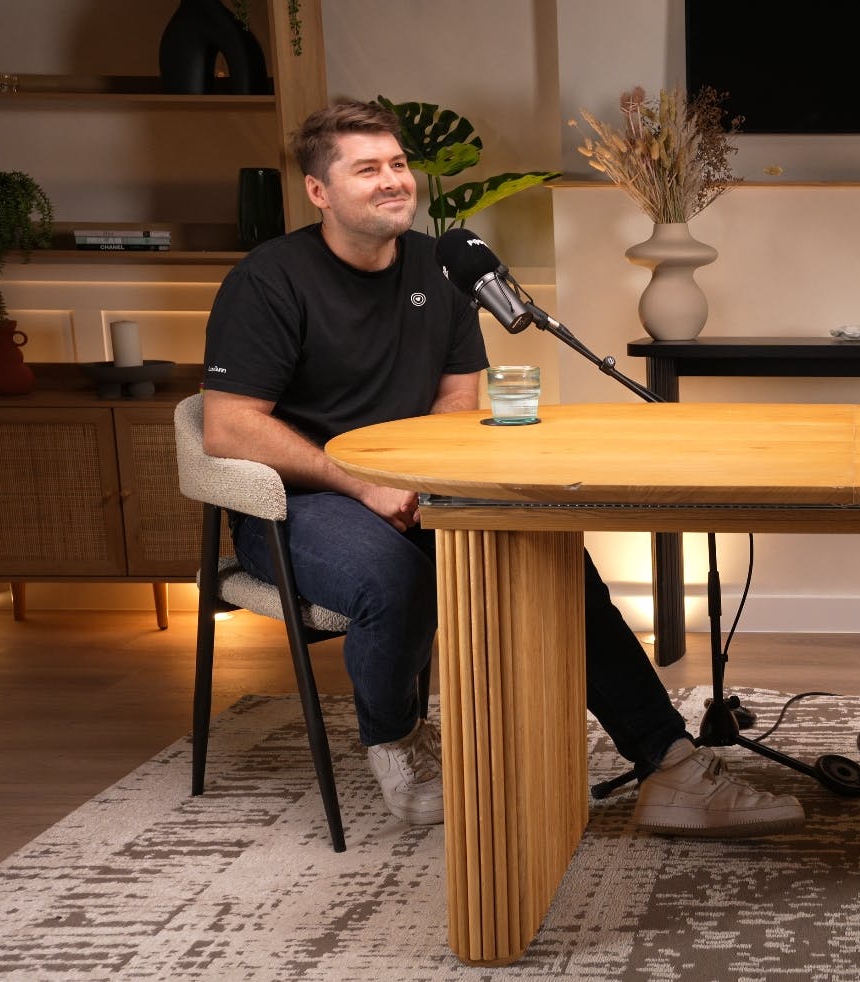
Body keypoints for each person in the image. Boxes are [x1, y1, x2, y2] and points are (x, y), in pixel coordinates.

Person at [200, 99, 802, 838]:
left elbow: (458, 399)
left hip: (410, 490)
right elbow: (229, 427)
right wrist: (363, 483)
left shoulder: (437, 266)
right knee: (397, 579)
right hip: (297, 504)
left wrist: (425, 476)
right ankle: (397, 742)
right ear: (320, 192)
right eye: (367, 170)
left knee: (553, 556)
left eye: (397, 165)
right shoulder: (270, 280)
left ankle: (669, 767)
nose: (393, 182)